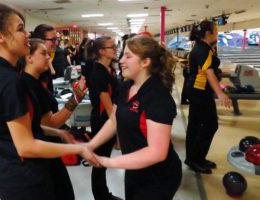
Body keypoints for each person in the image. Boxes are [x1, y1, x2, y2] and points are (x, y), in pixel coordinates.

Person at [0, 4, 97, 200]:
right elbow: (25, 146)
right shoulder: (7, 81)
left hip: (16, 173)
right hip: (22, 179)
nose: (27, 34)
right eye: (20, 29)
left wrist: (58, 132)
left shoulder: (4, 73)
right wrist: (79, 148)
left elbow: (28, 127)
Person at [86, 35, 182, 200]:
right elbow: (113, 120)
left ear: (146, 62)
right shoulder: (125, 87)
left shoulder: (157, 96)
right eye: (122, 54)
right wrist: (90, 145)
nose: (121, 60)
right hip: (134, 169)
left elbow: (157, 152)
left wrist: (108, 162)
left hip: (158, 177)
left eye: (128, 56)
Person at [17, 38, 88, 200]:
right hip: (43, 152)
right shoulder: (29, 85)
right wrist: (75, 100)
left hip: (48, 148)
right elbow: (50, 123)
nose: (48, 57)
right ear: (29, 58)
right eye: (43, 53)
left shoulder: (35, 82)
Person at [184, 20, 232, 174]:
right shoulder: (202, 49)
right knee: (210, 125)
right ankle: (195, 159)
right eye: (216, 31)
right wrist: (220, 93)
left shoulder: (204, 48)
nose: (217, 34)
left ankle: (196, 158)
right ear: (208, 34)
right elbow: (209, 72)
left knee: (196, 125)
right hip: (199, 92)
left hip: (199, 91)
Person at [87, 36, 121, 200]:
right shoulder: (98, 73)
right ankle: (101, 196)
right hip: (103, 123)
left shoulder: (108, 70)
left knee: (103, 160)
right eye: (111, 47)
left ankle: (103, 194)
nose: (115, 49)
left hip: (108, 121)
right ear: (101, 52)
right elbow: (108, 107)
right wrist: (118, 134)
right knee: (100, 162)